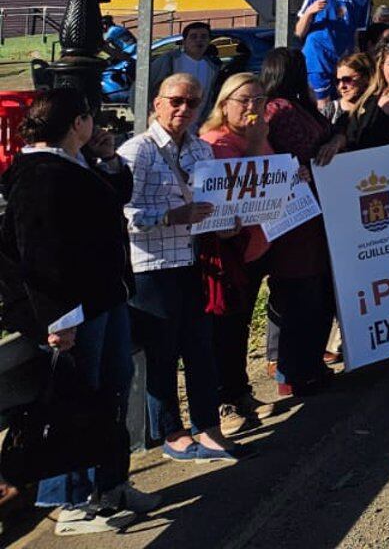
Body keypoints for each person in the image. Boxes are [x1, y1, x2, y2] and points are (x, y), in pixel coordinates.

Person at [0, 86, 156, 531]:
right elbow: (40, 254)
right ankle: (67, 500)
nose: (97, 126)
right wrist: (60, 319)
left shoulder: (73, 163)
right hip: (76, 311)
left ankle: (109, 484)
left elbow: (113, 199)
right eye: (91, 118)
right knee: (75, 401)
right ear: (77, 123)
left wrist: (107, 159)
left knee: (111, 391)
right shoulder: (39, 173)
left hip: (104, 299)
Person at [119, 72, 237, 462]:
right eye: (176, 101)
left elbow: (212, 201)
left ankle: (209, 427)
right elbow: (124, 214)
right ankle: (171, 431)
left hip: (192, 261)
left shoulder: (201, 150)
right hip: (152, 266)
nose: (184, 109)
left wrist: (228, 219)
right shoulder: (137, 152)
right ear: (157, 103)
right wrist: (172, 216)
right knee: (163, 352)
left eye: (192, 103)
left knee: (200, 348)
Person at [258, 47, 342, 399]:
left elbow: (327, 135)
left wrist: (338, 138)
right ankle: (292, 371)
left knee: (315, 290)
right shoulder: (281, 110)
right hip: (296, 218)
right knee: (300, 292)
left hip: (315, 213)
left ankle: (306, 364)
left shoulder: (295, 104)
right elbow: (296, 155)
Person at [199, 72, 272, 433]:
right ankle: (224, 401)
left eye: (259, 100)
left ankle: (240, 389)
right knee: (222, 328)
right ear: (224, 104)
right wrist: (258, 142)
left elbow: (274, 180)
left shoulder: (257, 136)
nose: (252, 108)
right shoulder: (216, 142)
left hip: (254, 249)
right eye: (244, 100)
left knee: (240, 324)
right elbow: (249, 186)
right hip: (226, 253)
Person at [294, 0, 373, 109]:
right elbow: (299, 31)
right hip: (317, 59)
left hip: (343, 61)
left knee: (346, 103)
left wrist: (358, 61)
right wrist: (310, 12)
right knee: (322, 104)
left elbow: (358, 36)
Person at [169, 21, 222, 120]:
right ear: (184, 41)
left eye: (203, 37)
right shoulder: (171, 61)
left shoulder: (212, 67)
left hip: (196, 125)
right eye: (193, 37)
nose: (199, 40)